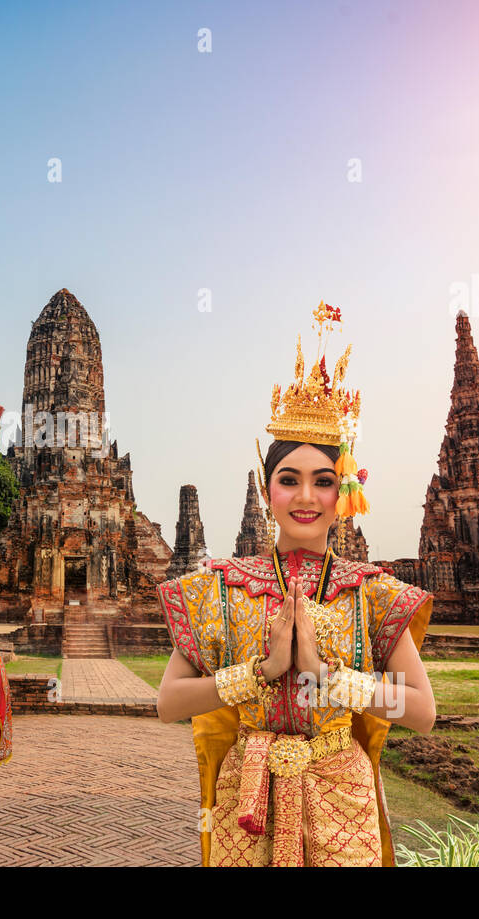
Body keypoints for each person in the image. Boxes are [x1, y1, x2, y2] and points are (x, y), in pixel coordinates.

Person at [156, 302, 436, 866]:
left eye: (323, 482)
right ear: (267, 491)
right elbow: (169, 703)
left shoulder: (371, 593)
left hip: (341, 789)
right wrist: (259, 674)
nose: (305, 498)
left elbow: (423, 710)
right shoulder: (219, 589)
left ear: (344, 493)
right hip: (248, 789)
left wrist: (329, 680)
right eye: (289, 480)